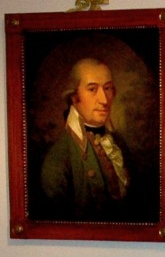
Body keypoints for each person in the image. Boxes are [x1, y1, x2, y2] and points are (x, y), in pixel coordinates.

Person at [40, 57, 131, 219]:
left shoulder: (119, 144)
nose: (104, 100)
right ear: (74, 98)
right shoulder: (58, 158)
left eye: (108, 88)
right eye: (92, 89)